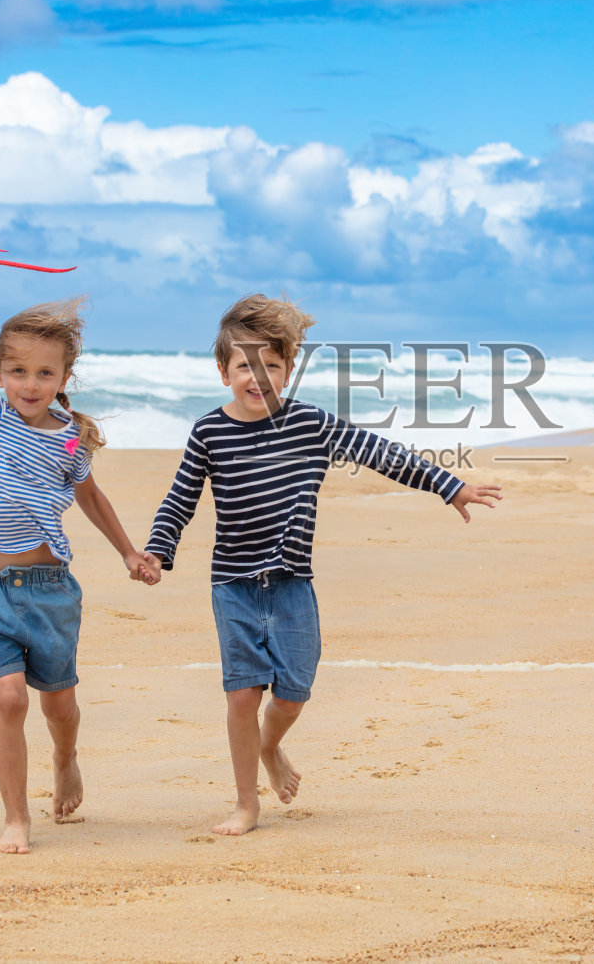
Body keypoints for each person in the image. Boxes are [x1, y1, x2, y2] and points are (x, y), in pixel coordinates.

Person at [142, 293, 502, 835]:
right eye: (245, 365)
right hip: (234, 586)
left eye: (271, 365)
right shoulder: (208, 433)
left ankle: (271, 746)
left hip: (291, 585)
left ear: (287, 370)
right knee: (241, 693)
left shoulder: (311, 424)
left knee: (292, 695)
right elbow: (180, 498)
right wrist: (158, 550)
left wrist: (448, 486)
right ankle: (246, 804)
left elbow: (380, 453)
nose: (257, 377)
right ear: (223, 371)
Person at [0, 259, 158, 854]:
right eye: (17, 371)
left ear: (63, 376)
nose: (29, 384)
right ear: (0, 373)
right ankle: (16, 819)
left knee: (58, 704)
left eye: (42, 373)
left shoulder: (68, 436)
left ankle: (66, 758)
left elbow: (88, 493)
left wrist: (129, 552)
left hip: (50, 590)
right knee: (9, 698)